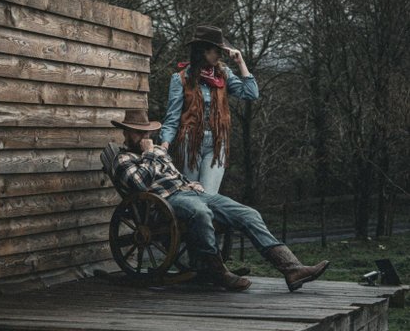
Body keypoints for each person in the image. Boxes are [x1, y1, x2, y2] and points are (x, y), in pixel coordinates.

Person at [110, 108, 329, 292]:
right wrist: (151, 154)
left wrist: (189, 183)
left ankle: (291, 268)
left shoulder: (156, 151)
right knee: (201, 213)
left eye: (145, 132)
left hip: (191, 193)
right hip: (165, 203)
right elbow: (140, 186)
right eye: (137, 133)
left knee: (248, 213)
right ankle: (217, 271)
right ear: (127, 134)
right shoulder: (123, 159)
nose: (144, 137)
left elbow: (174, 175)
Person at [159, 24, 259, 194]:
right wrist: (164, 146)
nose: (220, 55)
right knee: (191, 195)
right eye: (216, 50)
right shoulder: (181, 79)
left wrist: (240, 62)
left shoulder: (224, 74)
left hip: (217, 142)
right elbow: (172, 117)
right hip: (189, 142)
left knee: (208, 195)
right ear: (203, 51)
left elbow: (251, 93)